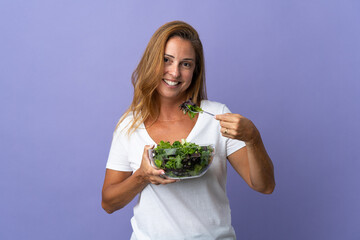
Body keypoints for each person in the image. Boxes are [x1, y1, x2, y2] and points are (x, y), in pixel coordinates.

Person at [102, 20, 275, 240]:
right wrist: (142, 177)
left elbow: (265, 186)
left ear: (195, 71)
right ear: (152, 62)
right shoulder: (130, 125)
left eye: (186, 64)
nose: (174, 72)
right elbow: (108, 203)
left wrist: (253, 138)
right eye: (166, 60)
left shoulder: (217, 116)